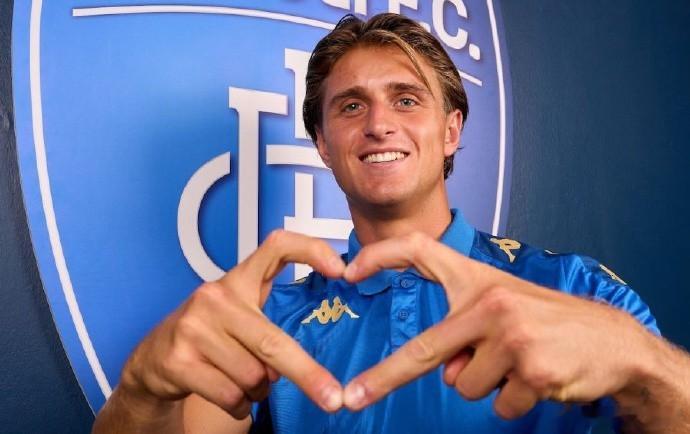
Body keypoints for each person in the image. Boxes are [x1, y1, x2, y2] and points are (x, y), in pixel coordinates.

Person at [92, 13, 690, 434]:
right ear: (323, 145)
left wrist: (646, 367)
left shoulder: (576, 289)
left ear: (451, 130)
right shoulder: (269, 322)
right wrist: (141, 389)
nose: (379, 124)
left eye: (406, 99)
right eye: (351, 105)